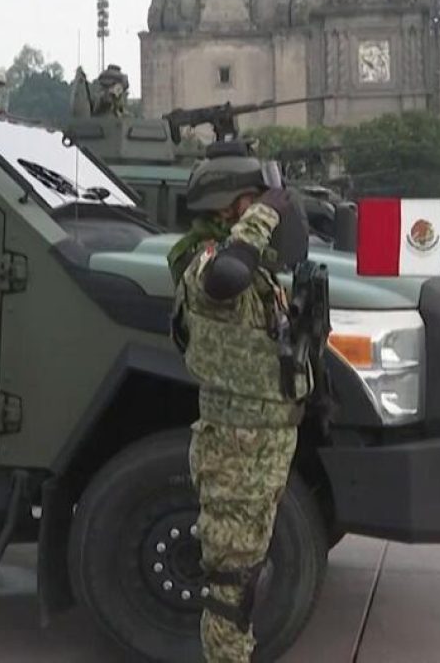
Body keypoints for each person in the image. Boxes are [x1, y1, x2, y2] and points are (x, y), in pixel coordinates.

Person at [167, 144, 310, 663]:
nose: (274, 214)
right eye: (258, 202)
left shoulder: (261, 274)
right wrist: (263, 216)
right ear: (234, 206)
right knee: (232, 586)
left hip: (264, 445)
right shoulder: (208, 261)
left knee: (250, 577)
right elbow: (223, 280)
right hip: (235, 445)